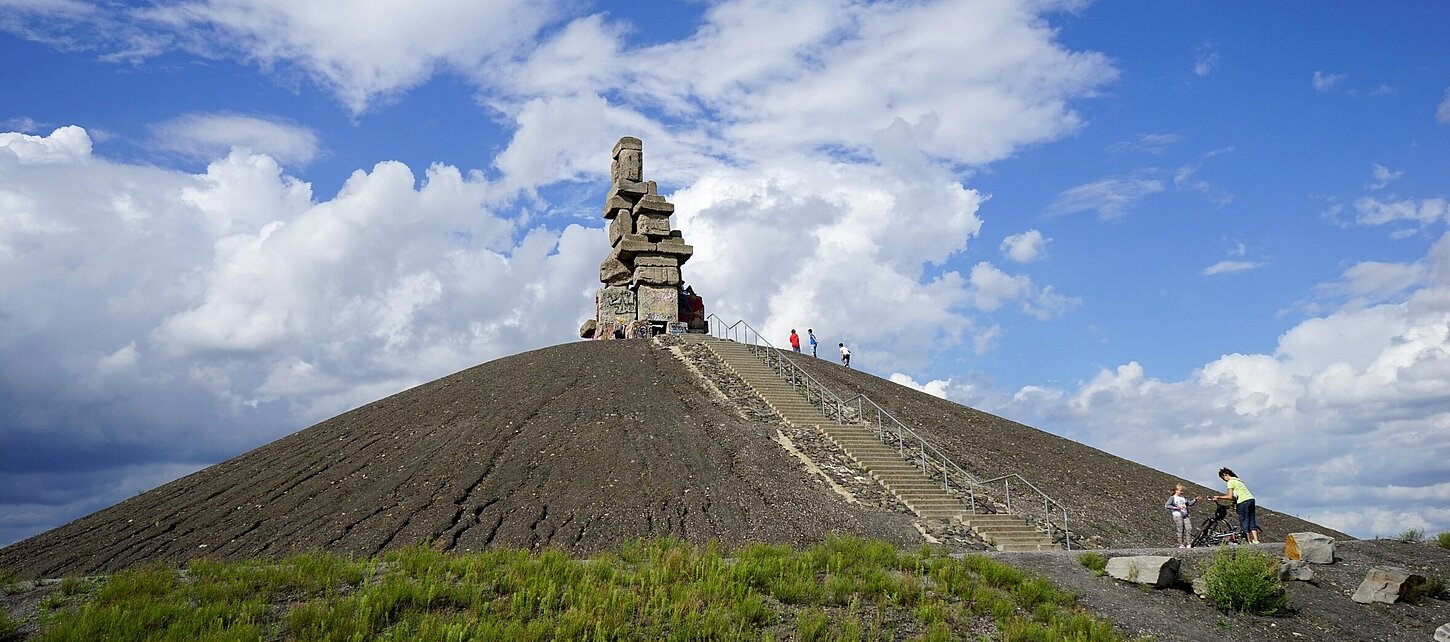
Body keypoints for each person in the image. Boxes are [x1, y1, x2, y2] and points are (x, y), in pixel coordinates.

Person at [1213, 467, 1260, 544]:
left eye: (1223, 477)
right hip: (1251, 500)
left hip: (1243, 502)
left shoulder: (1230, 482)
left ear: (1226, 474)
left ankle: (1248, 541)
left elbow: (1230, 496)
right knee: (1251, 520)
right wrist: (1233, 504)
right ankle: (1256, 540)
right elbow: (1236, 496)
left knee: (1244, 520)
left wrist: (1218, 497)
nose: (1224, 480)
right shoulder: (1239, 481)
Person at [1164, 484, 1200, 548]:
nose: (1182, 492)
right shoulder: (1172, 498)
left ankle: (1188, 543)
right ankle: (1181, 544)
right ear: (1176, 490)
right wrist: (1176, 508)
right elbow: (1167, 505)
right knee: (1181, 529)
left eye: (1183, 491)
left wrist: (1195, 500)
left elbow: (1189, 504)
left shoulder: (1183, 498)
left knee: (1189, 528)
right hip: (1177, 515)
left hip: (1185, 515)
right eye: (1181, 491)